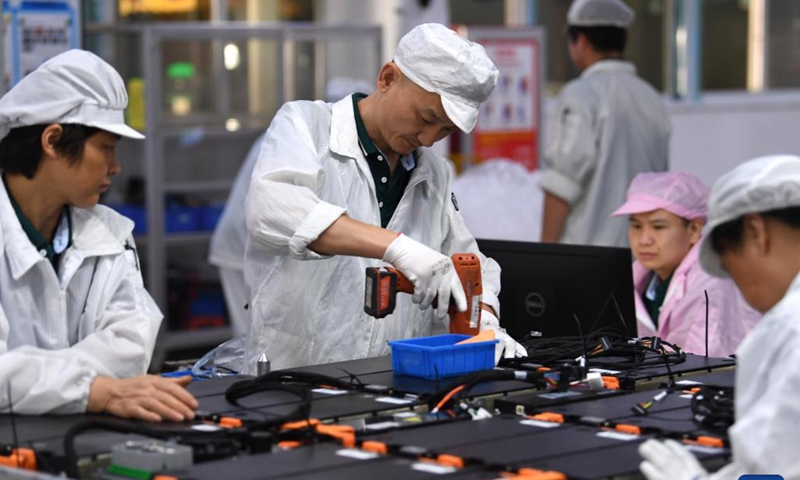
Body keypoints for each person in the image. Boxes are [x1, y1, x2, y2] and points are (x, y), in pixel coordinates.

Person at [243, 23, 527, 371]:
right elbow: (275, 209)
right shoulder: (307, 125)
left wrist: (484, 320)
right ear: (388, 78)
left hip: (390, 382)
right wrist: (397, 248)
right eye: (426, 117)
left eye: (446, 130)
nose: (428, 139)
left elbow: (469, 264)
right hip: (293, 376)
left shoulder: (433, 172)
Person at [0, 50, 198, 422]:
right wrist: (95, 390)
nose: (116, 166)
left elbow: (131, 344)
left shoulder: (108, 232)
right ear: (52, 140)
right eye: (106, 148)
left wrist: (39, 382)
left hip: (79, 429)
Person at [639, 155, 800, 479]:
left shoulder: (789, 328)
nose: (737, 285)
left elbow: (772, 471)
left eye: (728, 265)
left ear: (756, 232)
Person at [208, 78, 373, 337]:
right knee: (252, 334)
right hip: (241, 247)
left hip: (262, 245)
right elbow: (286, 209)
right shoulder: (297, 135)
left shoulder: (330, 139)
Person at [540, 0, 671, 247]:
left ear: (581, 41)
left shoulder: (581, 94)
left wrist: (545, 251)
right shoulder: (652, 98)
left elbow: (562, 183)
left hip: (586, 256)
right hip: (640, 253)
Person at [611, 172, 760, 357]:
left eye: (658, 227)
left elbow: (700, 362)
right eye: (636, 226)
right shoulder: (632, 276)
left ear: (694, 230)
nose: (644, 240)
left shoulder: (712, 281)